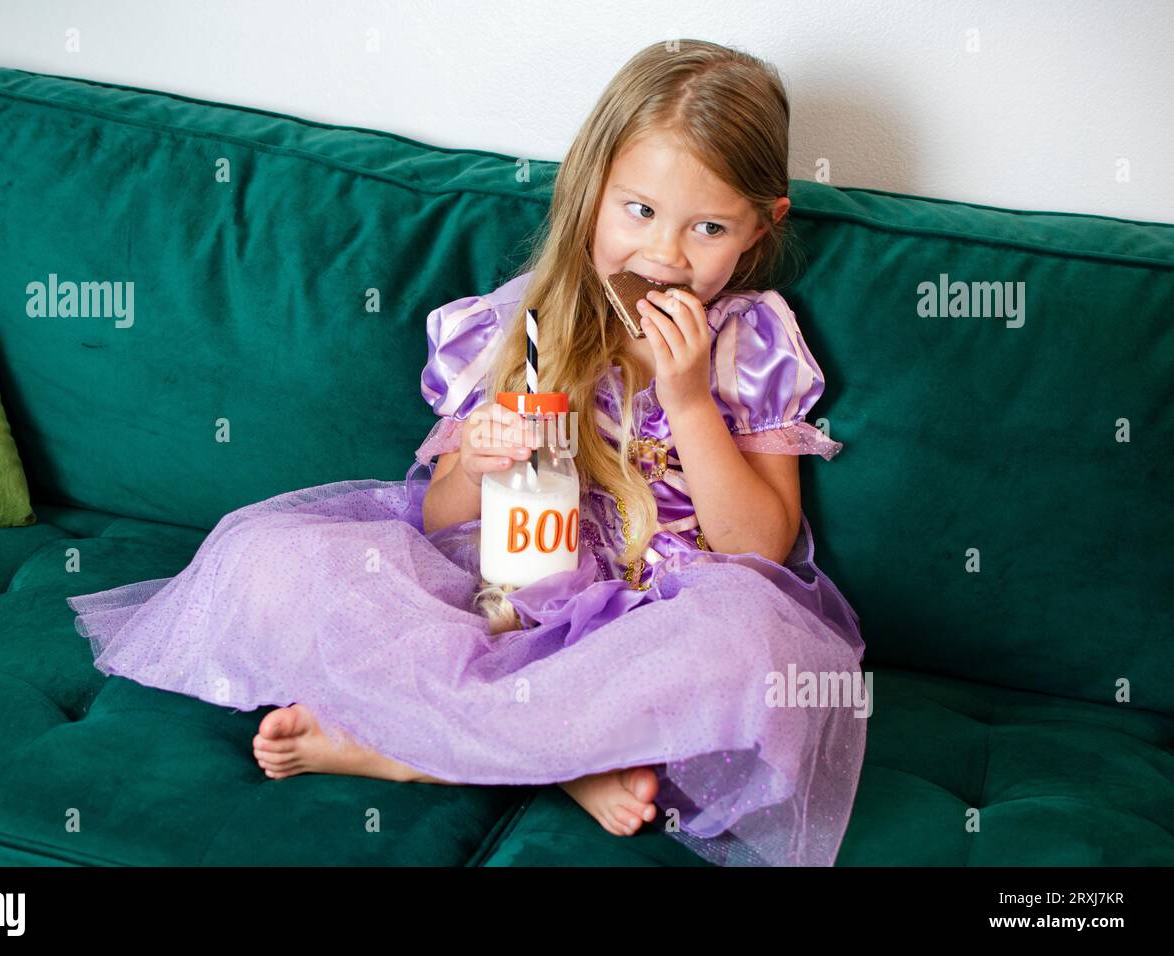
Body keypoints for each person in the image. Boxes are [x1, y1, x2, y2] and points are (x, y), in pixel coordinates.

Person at [67, 38, 868, 867]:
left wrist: (690, 399)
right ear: (589, 191)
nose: (664, 255)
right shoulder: (524, 323)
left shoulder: (750, 342)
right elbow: (438, 518)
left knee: (751, 659)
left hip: (659, 622)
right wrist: (480, 464)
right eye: (638, 211)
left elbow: (758, 549)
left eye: (707, 228)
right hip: (508, 596)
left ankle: (413, 752)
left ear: (762, 225)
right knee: (271, 558)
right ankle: (566, 765)